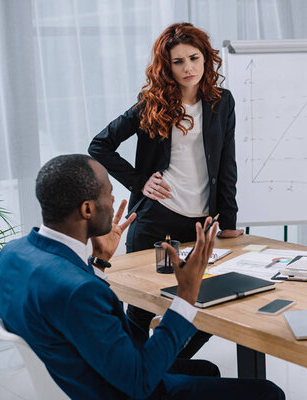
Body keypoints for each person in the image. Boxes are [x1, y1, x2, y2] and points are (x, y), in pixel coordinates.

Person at [0, 154, 284, 400]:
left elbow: (79, 319)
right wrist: (186, 295)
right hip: (123, 387)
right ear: (86, 209)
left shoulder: (14, 254)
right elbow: (139, 381)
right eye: (107, 192)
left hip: (82, 372)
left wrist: (98, 262)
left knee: (206, 370)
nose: (113, 199)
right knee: (267, 392)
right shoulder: (77, 291)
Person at [88, 22, 242, 352]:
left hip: (200, 225)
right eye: (178, 61)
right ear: (166, 66)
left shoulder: (222, 102)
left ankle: (161, 369)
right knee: (141, 312)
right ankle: (137, 379)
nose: (188, 68)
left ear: (206, 59)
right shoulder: (152, 103)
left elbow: (227, 164)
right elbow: (100, 145)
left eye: (194, 58)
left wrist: (227, 221)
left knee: (207, 309)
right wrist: (139, 182)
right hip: (155, 221)